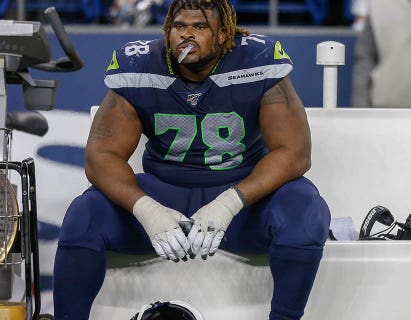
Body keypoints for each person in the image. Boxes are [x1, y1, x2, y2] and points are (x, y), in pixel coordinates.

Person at [53, 0, 331, 319]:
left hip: (241, 201)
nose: (186, 35)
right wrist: (147, 209)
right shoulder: (141, 65)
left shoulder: (256, 60)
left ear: (224, 35)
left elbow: (294, 152)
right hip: (164, 195)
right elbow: (101, 156)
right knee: (84, 215)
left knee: (306, 210)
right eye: (178, 26)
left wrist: (230, 202)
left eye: (199, 27)